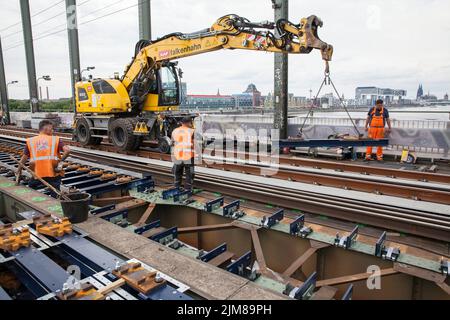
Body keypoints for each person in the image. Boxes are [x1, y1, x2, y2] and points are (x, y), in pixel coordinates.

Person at [16, 120, 70, 192]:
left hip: (38, 173)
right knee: (55, 191)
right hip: (53, 172)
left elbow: (24, 158)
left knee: (31, 186)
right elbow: (67, 150)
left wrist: (18, 170)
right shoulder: (55, 139)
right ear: (46, 129)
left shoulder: (31, 141)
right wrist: (60, 162)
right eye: (51, 128)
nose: (53, 130)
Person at [171, 116, 195, 191]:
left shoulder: (175, 130)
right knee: (189, 174)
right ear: (189, 123)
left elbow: (172, 143)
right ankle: (188, 189)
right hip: (188, 157)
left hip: (177, 156)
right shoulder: (192, 131)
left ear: (182, 123)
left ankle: (177, 187)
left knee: (177, 172)